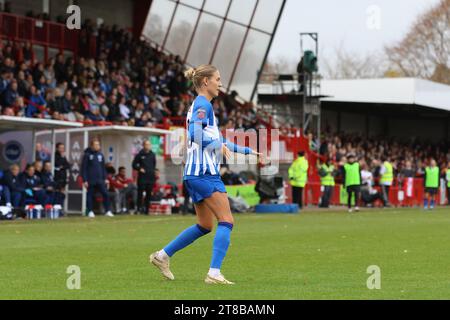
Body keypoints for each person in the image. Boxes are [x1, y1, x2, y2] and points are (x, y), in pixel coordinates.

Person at [149, 64, 261, 285]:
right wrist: (216, 145)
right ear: (205, 82)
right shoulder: (202, 104)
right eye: (217, 79)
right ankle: (214, 273)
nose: (220, 83)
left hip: (194, 174)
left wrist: (248, 151)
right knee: (227, 219)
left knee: (205, 225)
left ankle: (162, 256)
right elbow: (194, 134)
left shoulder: (202, 106)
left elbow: (218, 140)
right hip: (204, 173)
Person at [81, 138, 113, 218]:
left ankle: (108, 210)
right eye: (96, 145)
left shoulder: (100, 155)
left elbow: (103, 168)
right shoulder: (87, 155)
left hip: (100, 180)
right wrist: (85, 180)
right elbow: (83, 168)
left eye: (98, 144)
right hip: (91, 179)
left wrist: (105, 178)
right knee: (90, 195)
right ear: (92, 146)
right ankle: (90, 211)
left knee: (105, 194)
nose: (98, 146)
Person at [132, 140, 156, 214]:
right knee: (140, 194)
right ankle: (139, 209)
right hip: (142, 178)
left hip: (150, 177)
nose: (148, 146)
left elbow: (154, 165)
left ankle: (147, 210)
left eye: (149, 144)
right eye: (146, 144)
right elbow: (134, 164)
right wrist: (139, 169)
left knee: (149, 194)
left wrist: (152, 172)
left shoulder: (152, 155)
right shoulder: (139, 154)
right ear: (143, 145)